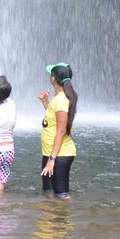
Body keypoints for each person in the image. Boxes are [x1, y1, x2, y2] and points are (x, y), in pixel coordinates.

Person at [39, 62, 77, 200]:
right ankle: (51, 220)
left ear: (53, 79)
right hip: (50, 151)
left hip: (59, 155)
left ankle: (63, 219)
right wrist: (45, 102)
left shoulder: (61, 100)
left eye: (51, 74)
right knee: (48, 191)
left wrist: (52, 159)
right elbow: (55, 119)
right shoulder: (59, 98)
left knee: (62, 195)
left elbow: (61, 131)